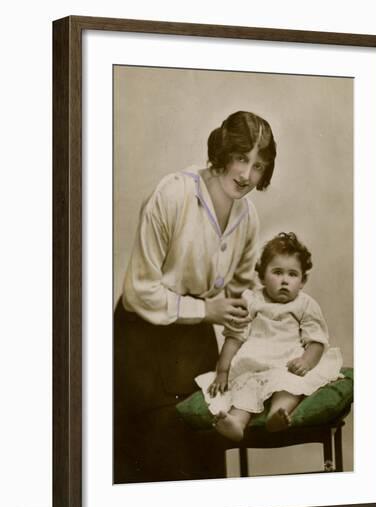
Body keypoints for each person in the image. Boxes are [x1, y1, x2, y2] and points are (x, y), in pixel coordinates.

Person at [113, 111, 277, 482]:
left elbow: (238, 296)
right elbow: (138, 291)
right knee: (152, 465)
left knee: (203, 463)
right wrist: (206, 310)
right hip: (141, 343)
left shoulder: (247, 216)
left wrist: (253, 330)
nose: (246, 175)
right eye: (241, 158)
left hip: (195, 347)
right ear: (222, 151)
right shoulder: (173, 193)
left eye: (258, 166)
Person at [196, 232, 343, 441]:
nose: (285, 281)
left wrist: (306, 362)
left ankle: (278, 414)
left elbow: (316, 340)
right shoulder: (251, 300)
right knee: (244, 389)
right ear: (262, 276)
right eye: (277, 272)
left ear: (303, 280)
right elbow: (235, 337)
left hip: (285, 362)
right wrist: (222, 371)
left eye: (292, 274)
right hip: (253, 363)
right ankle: (236, 423)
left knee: (288, 384)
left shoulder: (304, 304)